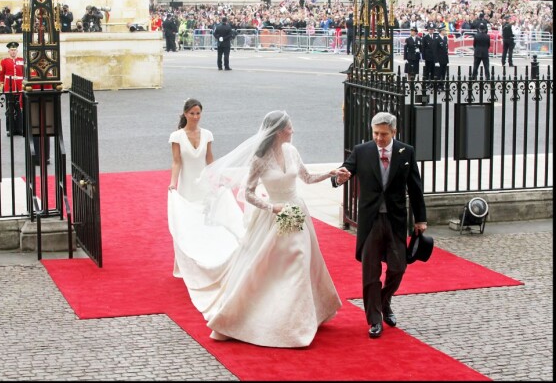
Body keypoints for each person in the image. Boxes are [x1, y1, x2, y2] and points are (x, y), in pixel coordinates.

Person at [169, 110, 344, 348]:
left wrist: (330, 173)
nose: (292, 131)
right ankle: (260, 315)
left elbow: (307, 177)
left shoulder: (292, 152)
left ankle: (300, 319)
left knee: (302, 261)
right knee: (266, 268)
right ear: (278, 131)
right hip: (274, 215)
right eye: (289, 128)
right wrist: (273, 207)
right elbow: (247, 193)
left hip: (298, 215)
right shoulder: (259, 160)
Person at [332, 112, 427, 339]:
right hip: (370, 221)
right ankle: (374, 320)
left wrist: (420, 219)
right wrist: (338, 178)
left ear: (394, 132)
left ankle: (384, 301)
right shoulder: (361, 151)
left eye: (383, 134)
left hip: (395, 220)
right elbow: (343, 172)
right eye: (375, 133)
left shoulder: (407, 152)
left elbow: (415, 188)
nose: (378, 138)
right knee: (370, 273)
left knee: (398, 267)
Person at [168, 98, 214, 276]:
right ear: (185, 114)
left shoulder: (208, 134)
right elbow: (176, 162)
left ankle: (203, 260)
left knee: (204, 223)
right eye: (192, 113)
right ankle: (185, 265)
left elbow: (209, 159)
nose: (195, 117)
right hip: (186, 186)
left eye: (198, 113)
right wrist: (173, 182)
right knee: (187, 225)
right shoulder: (176, 136)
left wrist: (215, 179)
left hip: (204, 186)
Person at [0, 41, 24, 136]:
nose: (13, 52)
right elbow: (2, 73)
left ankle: (19, 128)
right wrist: (1, 83)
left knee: (19, 108)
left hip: (19, 87)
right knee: (10, 109)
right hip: (9, 87)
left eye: (14, 50)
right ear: (8, 51)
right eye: (11, 50)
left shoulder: (22, 60)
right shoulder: (4, 61)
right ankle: (11, 129)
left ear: (17, 51)